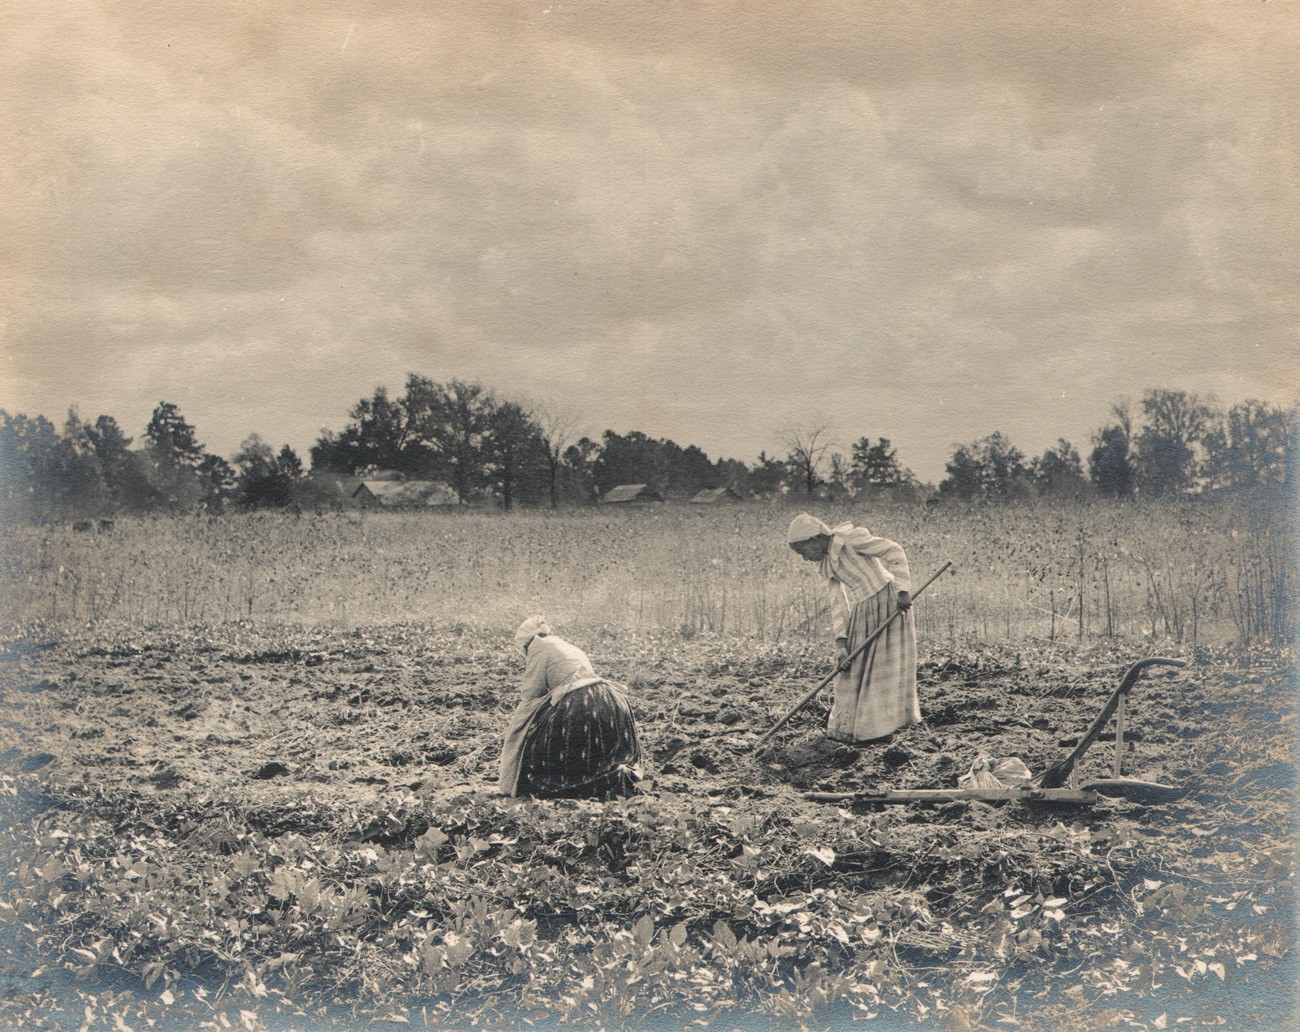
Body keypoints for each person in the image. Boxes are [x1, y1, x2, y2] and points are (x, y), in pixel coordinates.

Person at [787, 513, 920, 743]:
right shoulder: (826, 564)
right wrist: (841, 642)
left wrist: (902, 589)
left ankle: (880, 727)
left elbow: (894, 550)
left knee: (882, 666)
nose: (805, 559)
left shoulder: (851, 540)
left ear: (813, 540)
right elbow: (837, 602)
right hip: (863, 611)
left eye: (803, 552)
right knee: (850, 668)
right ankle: (850, 728)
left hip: (889, 602)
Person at [498, 616, 643, 799]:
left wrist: (518, 730)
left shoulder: (538, 646)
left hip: (580, 702)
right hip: (609, 697)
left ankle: (579, 785)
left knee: (553, 746)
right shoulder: (565, 645)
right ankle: (614, 777)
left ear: (526, 643)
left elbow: (532, 692)